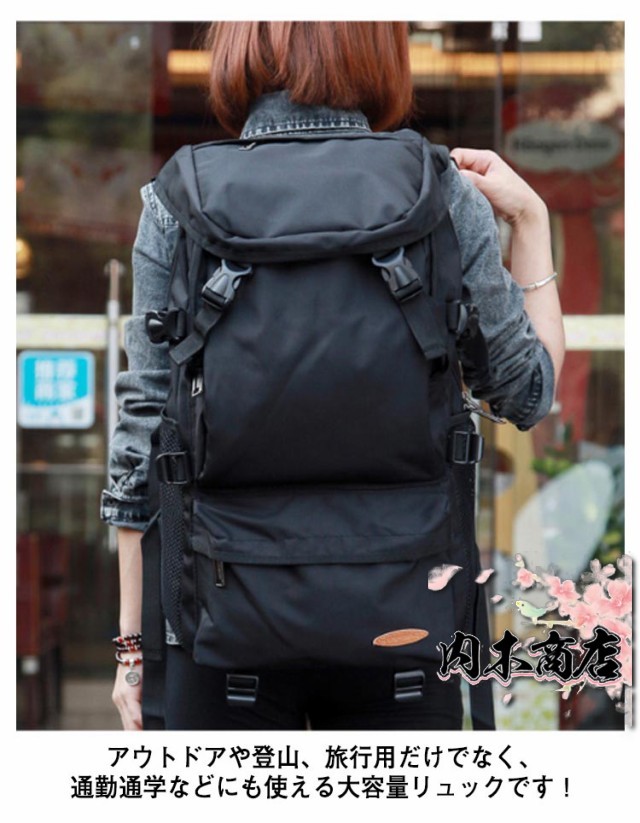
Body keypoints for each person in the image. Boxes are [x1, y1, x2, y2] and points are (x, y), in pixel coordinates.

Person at [101, 21, 564, 731]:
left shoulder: (179, 198)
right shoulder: (438, 192)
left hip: (218, 617)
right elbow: (527, 393)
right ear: (380, 51)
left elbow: (145, 427)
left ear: (240, 50)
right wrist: (530, 220)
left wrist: (133, 646)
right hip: (410, 619)